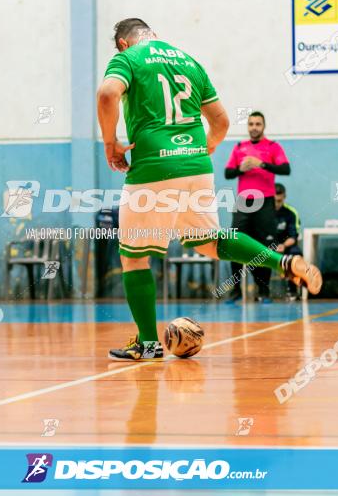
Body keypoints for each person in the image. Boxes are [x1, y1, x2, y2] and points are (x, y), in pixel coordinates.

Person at [96, 18, 322, 361]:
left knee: (133, 256)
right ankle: (282, 260)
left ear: (124, 43)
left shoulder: (128, 59)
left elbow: (107, 94)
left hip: (153, 166)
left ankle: (148, 343)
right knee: (211, 242)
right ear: (154, 34)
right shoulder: (189, 61)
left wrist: (110, 144)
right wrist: (206, 148)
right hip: (197, 166)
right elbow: (221, 122)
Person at [224, 111, 290, 303]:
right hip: (244, 202)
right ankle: (236, 291)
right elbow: (228, 173)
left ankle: (263, 291)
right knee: (234, 243)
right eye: (251, 124)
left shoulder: (272, 147)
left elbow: (285, 169)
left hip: (265, 202)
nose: (254, 127)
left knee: (263, 247)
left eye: (258, 124)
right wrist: (240, 170)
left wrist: (261, 164)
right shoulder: (239, 147)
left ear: (264, 126)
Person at [273, 183, 303, 300]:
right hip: (267, 245)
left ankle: (292, 289)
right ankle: (262, 291)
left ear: (284, 197)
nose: (277, 204)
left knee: (295, 255)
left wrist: (283, 245)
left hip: (286, 246)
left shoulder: (291, 213)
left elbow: (293, 236)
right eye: (274, 200)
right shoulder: (263, 213)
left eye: (279, 201)